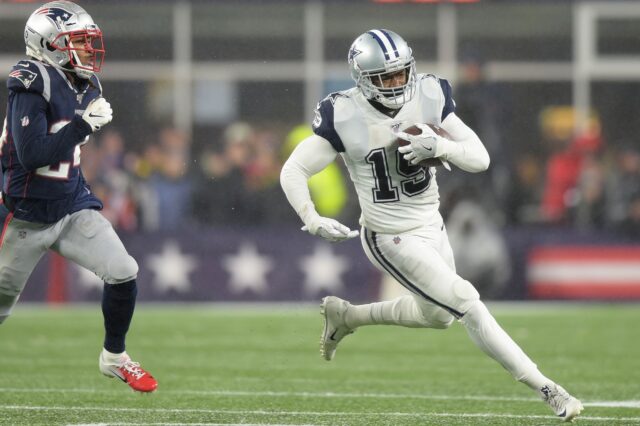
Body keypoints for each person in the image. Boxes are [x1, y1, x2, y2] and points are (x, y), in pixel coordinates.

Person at [280, 29, 582, 421]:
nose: (397, 83)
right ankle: (549, 389)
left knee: (438, 316)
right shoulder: (344, 113)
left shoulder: (429, 94)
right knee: (467, 301)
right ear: (361, 78)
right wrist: (311, 216)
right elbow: (294, 169)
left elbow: (480, 158)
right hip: (390, 235)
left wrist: (441, 147)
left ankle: (348, 316)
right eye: (385, 77)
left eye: (401, 73)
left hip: (431, 223)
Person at [0, 1, 157, 392]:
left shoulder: (84, 82)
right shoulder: (31, 80)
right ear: (51, 44)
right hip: (25, 214)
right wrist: (82, 126)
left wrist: (81, 132)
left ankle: (115, 357)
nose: (88, 49)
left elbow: (69, 148)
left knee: (124, 271)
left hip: (71, 205)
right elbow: (33, 154)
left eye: (88, 41)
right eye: (80, 41)